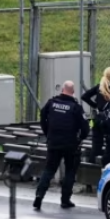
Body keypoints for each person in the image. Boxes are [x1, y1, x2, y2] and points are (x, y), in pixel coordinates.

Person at [33, 80, 90, 211]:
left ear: (62, 90)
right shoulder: (76, 107)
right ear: (73, 92)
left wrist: (48, 133)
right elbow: (86, 128)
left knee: (49, 170)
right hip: (70, 145)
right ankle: (65, 200)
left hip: (53, 143)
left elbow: (42, 117)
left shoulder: (52, 103)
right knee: (70, 171)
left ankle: (39, 196)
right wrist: (80, 139)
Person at [80, 67, 110, 164]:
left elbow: (84, 96)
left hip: (96, 118)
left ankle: (91, 165)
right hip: (108, 119)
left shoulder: (99, 86)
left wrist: (95, 105)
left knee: (96, 143)